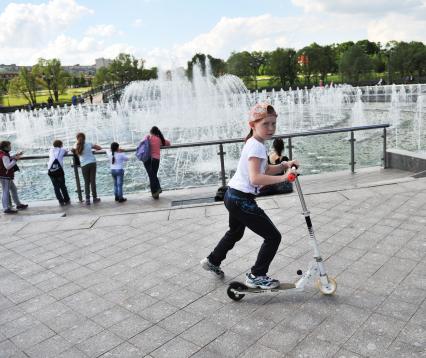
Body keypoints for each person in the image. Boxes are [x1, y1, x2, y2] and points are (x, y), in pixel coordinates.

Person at [200, 103, 298, 289]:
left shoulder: (255, 143)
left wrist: (284, 166)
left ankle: (213, 260)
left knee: (235, 232)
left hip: (233, 196)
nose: (271, 128)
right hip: (241, 199)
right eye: (266, 124)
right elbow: (256, 178)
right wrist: (285, 178)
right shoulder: (256, 146)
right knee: (273, 237)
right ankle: (257, 275)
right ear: (253, 125)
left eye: (273, 124)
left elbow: (266, 168)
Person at [73, 132, 102, 205]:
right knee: (93, 181)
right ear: (84, 137)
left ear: (77, 138)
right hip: (92, 163)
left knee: (86, 182)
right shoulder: (89, 143)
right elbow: (99, 148)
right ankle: (95, 198)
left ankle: (87, 199)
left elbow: (73, 150)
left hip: (84, 165)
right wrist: (92, 150)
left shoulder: (76, 145)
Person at [0, 141, 28, 214]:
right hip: (5, 176)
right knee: (5, 191)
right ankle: (6, 208)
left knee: (13, 189)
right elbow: (7, 166)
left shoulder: (3, 153)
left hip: (5, 176)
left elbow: (8, 158)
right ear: (5, 147)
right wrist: (15, 159)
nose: (10, 147)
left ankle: (18, 204)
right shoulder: (4, 155)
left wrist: (16, 155)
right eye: (9, 146)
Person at [143, 126, 171, 199]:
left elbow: (142, 143)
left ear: (151, 132)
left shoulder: (148, 137)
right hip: (156, 159)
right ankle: (156, 193)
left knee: (151, 176)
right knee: (154, 175)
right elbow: (168, 143)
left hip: (148, 159)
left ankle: (155, 193)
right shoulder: (159, 139)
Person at [47, 140, 70, 206]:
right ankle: (66, 199)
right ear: (61, 145)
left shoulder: (51, 150)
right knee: (62, 185)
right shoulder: (62, 150)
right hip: (59, 170)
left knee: (55, 186)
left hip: (50, 170)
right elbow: (66, 152)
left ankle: (60, 200)